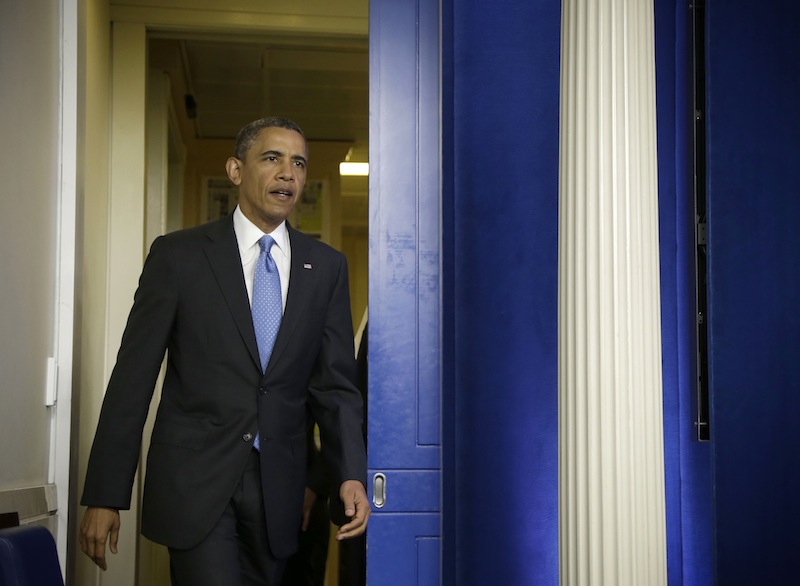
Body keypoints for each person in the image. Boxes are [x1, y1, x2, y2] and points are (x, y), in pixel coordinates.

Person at [79, 116, 370, 585]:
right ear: (236, 170)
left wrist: (350, 474)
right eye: (272, 158)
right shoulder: (179, 257)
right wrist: (105, 494)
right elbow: (133, 379)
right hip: (196, 483)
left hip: (279, 488)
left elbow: (335, 387)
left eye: (298, 162)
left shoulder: (327, 269)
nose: (288, 173)